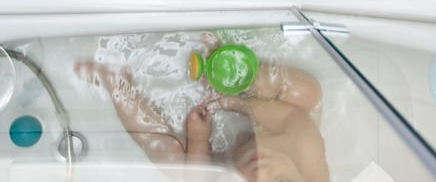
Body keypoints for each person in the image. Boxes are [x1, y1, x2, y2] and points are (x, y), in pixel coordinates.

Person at [75, 59, 329, 182]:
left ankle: (119, 85)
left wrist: (199, 139)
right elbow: (289, 116)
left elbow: (198, 178)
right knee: (306, 92)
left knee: (172, 160)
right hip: (277, 122)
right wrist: (236, 102)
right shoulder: (305, 148)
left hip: (226, 159)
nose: (261, 172)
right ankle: (231, 71)